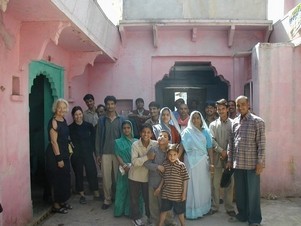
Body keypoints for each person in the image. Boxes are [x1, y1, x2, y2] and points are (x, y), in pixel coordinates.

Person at [227, 95, 265, 226]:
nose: (240, 107)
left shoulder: (257, 121)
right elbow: (231, 143)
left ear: (248, 104)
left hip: (252, 164)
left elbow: (261, 144)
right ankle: (242, 214)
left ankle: (254, 219)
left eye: (243, 104)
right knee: (240, 193)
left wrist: (260, 162)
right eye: (238, 105)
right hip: (238, 164)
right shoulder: (234, 122)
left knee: (253, 193)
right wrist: (230, 160)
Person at [181, 111, 213, 219]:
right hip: (189, 161)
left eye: (197, 118)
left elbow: (210, 148)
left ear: (201, 119)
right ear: (190, 120)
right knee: (189, 185)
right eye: (193, 118)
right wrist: (175, 160)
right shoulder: (186, 132)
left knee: (202, 185)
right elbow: (182, 146)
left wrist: (212, 164)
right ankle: (190, 210)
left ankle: (202, 209)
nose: (195, 120)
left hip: (202, 162)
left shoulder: (205, 133)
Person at [95, 95, 125, 210]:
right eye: (108, 104)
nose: (110, 106)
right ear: (106, 105)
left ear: (115, 105)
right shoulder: (102, 120)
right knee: (106, 178)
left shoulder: (121, 119)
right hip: (105, 153)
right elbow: (98, 138)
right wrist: (98, 154)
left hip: (119, 154)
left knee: (119, 178)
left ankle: (118, 199)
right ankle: (107, 199)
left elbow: (125, 137)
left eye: (112, 104)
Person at [209, 99, 235, 216]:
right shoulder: (213, 125)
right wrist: (221, 151)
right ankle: (215, 206)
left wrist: (227, 152)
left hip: (229, 159)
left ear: (227, 109)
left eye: (223, 109)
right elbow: (212, 141)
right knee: (215, 184)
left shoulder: (233, 123)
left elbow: (234, 140)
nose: (220, 111)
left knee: (229, 183)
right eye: (218, 109)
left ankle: (229, 208)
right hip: (217, 158)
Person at [45, 98, 72, 214]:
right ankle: (56, 205)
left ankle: (61, 201)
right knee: (56, 179)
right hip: (55, 154)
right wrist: (59, 158)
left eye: (64, 107)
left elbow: (65, 136)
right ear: (55, 108)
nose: (62, 109)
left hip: (64, 153)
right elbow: (54, 142)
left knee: (64, 178)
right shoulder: (54, 121)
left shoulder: (63, 119)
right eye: (59, 107)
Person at [68, 106, 99, 204]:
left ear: (82, 114)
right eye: (76, 114)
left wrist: (95, 153)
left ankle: (96, 192)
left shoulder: (89, 126)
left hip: (88, 153)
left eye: (80, 114)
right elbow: (68, 141)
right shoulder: (70, 128)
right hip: (76, 155)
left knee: (92, 171)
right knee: (78, 174)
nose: (78, 116)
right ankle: (81, 194)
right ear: (73, 116)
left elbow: (94, 140)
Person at [144, 131, 176, 226]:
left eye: (165, 136)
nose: (162, 137)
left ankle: (169, 221)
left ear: (168, 140)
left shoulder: (171, 151)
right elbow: (146, 163)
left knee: (167, 201)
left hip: (167, 181)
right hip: (154, 180)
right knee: (153, 203)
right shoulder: (153, 150)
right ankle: (154, 221)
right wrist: (157, 166)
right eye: (160, 135)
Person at [128, 123, 157, 226]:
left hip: (148, 177)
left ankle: (150, 217)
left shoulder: (155, 144)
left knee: (148, 199)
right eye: (144, 132)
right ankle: (135, 218)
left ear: (152, 134)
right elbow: (134, 162)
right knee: (134, 199)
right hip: (135, 176)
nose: (146, 134)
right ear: (140, 133)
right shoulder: (135, 144)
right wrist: (147, 157)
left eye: (148, 132)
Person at [155, 144, 190, 226]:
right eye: (170, 155)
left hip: (177, 195)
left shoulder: (181, 165)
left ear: (177, 154)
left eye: (174, 154)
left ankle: (183, 224)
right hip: (166, 194)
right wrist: (159, 188)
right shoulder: (165, 164)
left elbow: (185, 179)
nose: (172, 157)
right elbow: (164, 178)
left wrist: (184, 193)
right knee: (164, 210)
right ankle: (160, 224)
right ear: (167, 155)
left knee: (180, 212)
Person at [114, 120, 142, 217]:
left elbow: (139, 155)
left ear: (131, 129)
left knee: (133, 191)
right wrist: (124, 165)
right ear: (122, 130)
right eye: (124, 128)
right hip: (123, 169)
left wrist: (133, 166)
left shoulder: (136, 141)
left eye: (128, 128)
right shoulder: (117, 142)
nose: (126, 130)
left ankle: (130, 211)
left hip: (134, 169)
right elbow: (117, 155)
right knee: (122, 189)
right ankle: (119, 211)